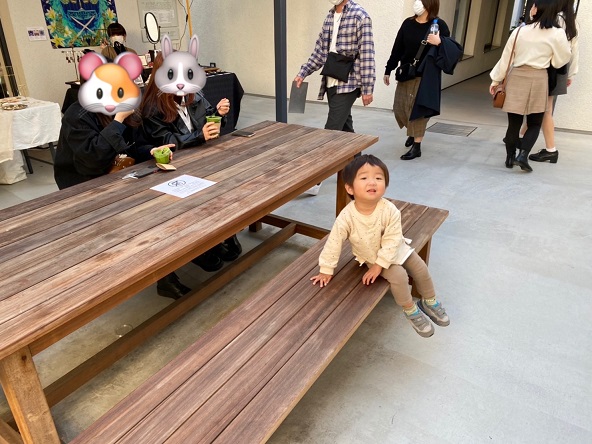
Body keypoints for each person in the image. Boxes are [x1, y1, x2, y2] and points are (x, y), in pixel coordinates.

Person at [53, 102, 191, 300]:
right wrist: (118, 120)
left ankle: (167, 270)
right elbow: (92, 160)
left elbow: (133, 147)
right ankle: (161, 276)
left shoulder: (128, 107)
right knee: (143, 216)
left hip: (118, 176)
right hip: (82, 185)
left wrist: (152, 150)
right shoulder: (78, 114)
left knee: (164, 203)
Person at [310, 154, 449, 338]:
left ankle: (429, 301)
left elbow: (393, 240)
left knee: (421, 268)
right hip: (372, 256)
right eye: (364, 178)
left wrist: (378, 267)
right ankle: (410, 310)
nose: (372, 182)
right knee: (399, 276)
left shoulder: (389, 209)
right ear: (350, 188)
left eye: (378, 178)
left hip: (397, 249)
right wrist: (326, 269)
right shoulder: (346, 216)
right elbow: (334, 242)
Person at [139, 53, 242, 272]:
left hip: (204, 158)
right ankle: (200, 245)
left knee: (229, 181)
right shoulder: (152, 108)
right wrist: (200, 136)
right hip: (175, 168)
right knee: (200, 195)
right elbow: (168, 144)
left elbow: (206, 121)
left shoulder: (194, 94)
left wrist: (218, 114)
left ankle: (224, 233)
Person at [489, 0, 571, 172]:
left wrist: (496, 80)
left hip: (517, 76)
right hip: (539, 77)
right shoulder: (557, 33)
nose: (530, 8)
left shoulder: (520, 31)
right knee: (535, 122)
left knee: (514, 123)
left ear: (538, 9)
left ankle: (509, 158)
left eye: (532, 5)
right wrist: (552, 60)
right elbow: (562, 59)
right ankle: (523, 155)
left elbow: (506, 58)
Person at [384, 0, 461, 161]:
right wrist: (388, 69)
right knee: (400, 108)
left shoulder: (439, 25)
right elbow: (397, 48)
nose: (416, 3)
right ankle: (412, 132)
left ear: (429, 4)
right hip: (407, 72)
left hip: (426, 76)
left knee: (418, 112)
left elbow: (453, 50)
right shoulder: (408, 23)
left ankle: (416, 146)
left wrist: (439, 42)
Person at [294, 0, 375, 133]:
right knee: (345, 129)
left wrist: (367, 88)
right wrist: (303, 73)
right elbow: (320, 52)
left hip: (349, 82)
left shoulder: (360, 16)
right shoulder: (329, 17)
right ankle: (357, 154)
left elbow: (367, 54)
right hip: (330, 80)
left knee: (330, 131)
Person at [527, 0, 579, 164]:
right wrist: (571, 74)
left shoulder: (555, 20)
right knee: (539, 107)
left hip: (549, 69)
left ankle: (551, 150)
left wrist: (531, 18)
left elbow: (539, 40)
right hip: (561, 69)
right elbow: (574, 49)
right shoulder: (572, 21)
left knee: (544, 110)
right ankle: (522, 137)